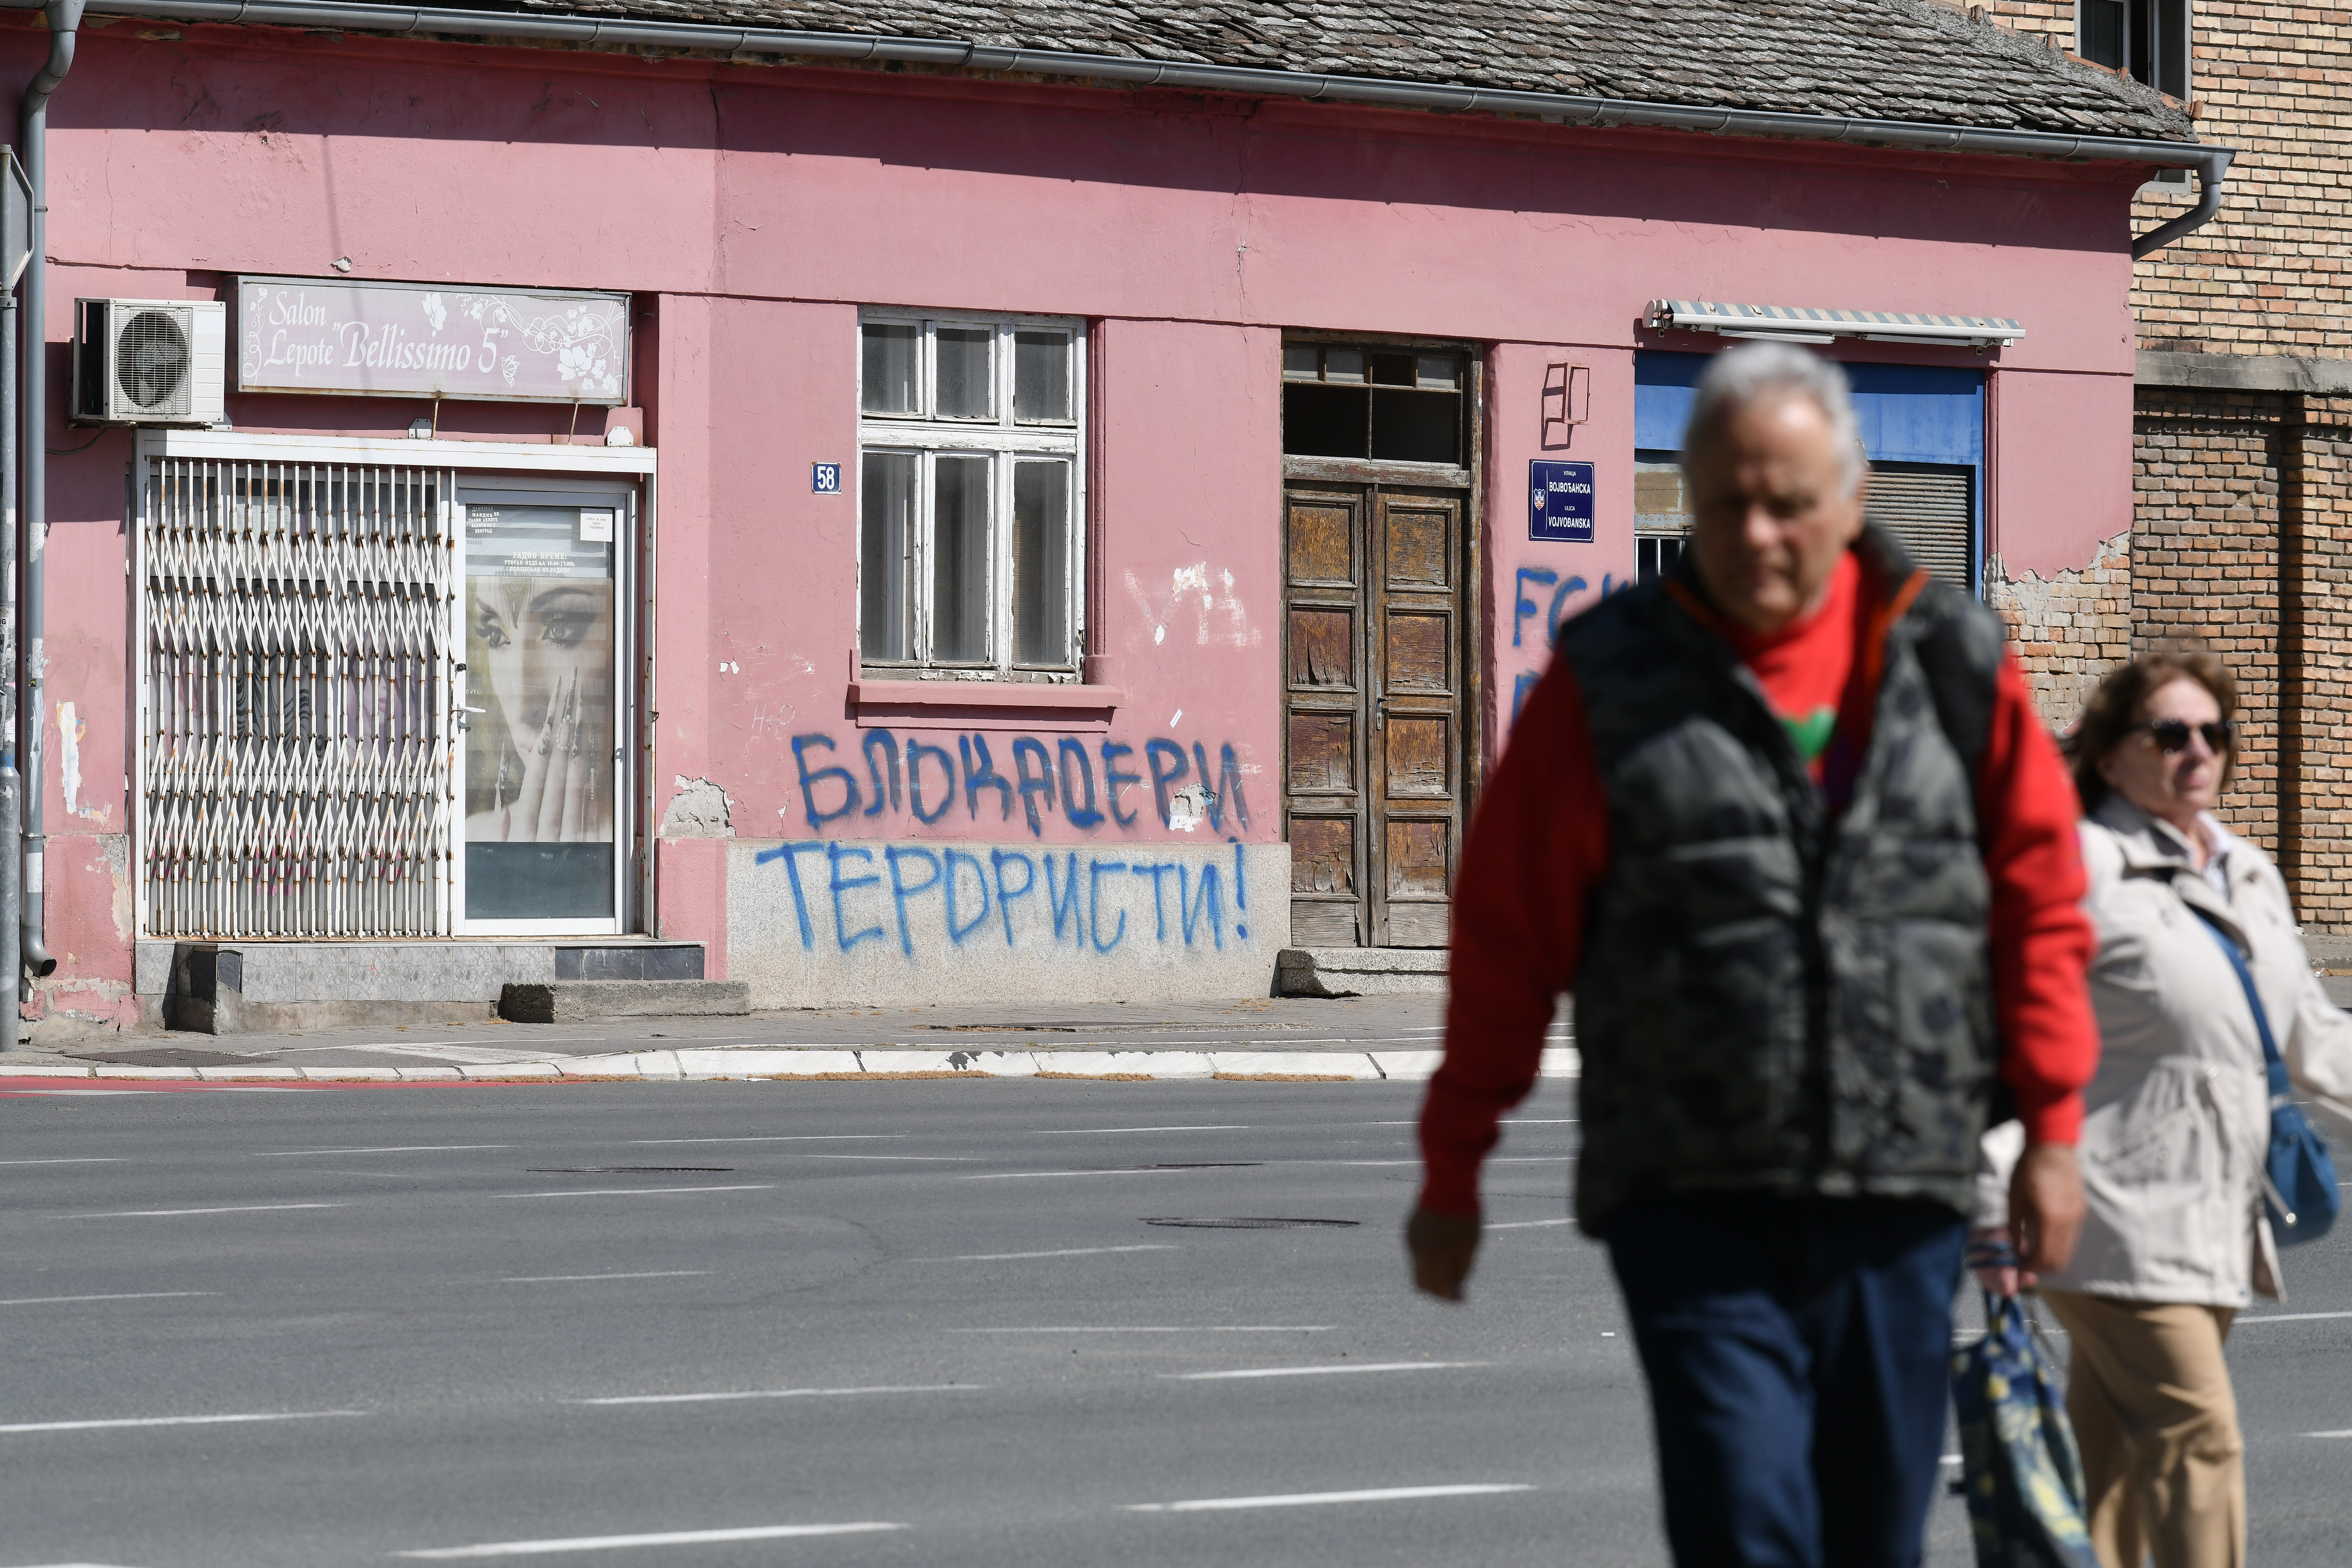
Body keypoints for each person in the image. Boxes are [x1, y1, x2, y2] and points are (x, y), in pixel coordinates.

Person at [1407, 341, 2100, 1568]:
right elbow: (1508, 934)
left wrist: (2052, 1129)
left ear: (1852, 498)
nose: (1758, 530)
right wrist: (1455, 1161)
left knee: (1873, 1530)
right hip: (1690, 1190)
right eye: (1727, 499)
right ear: (1689, 495)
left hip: (1901, 1184)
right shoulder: (1609, 679)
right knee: (1742, 1521)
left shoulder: (1953, 661)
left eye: (1789, 501)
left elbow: (2038, 903)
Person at [1973, 651, 2352, 1568]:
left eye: (2213, 733)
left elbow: (2314, 1040)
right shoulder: (2080, 867)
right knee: (2200, 1441)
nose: (2197, 751)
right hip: (2106, 1219)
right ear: (2110, 756)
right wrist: (1992, 1201)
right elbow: (2003, 1041)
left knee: (2110, 1480)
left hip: (2218, 1221)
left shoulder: (2247, 872)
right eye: (2169, 733)